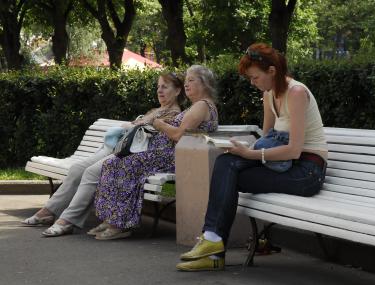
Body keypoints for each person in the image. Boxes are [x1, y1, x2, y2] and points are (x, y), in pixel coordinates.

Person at [176, 43, 328, 271]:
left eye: (255, 77)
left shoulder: (296, 93)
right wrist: (239, 149)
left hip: (306, 172)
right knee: (226, 163)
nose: (252, 82)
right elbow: (265, 138)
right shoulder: (269, 94)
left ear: (272, 72)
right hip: (283, 165)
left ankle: (213, 247)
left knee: (228, 170)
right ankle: (212, 242)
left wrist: (249, 154)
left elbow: (294, 150)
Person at [21, 72, 185, 237]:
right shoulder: (158, 110)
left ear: (177, 91)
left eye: (165, 87)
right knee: (77, 168)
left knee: (92, 172)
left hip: (133, 152)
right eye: (158, 87)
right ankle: (48, 211)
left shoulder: (174, 115)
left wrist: (135, 125)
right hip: (118, 147)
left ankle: (67, 220)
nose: (159, 90)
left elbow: (153, 140)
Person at [90, 65, 219, 240]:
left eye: (191, 80)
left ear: (204, 84)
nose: (187, 84)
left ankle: (120, 223)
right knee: (112, 163)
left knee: (124, 164)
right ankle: (110, 218)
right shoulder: (198, 106)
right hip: (165, 155)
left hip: (173, 158)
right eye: (186, 80)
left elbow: (178, 135)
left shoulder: (202, 106)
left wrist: (159, 124)